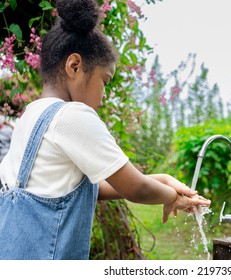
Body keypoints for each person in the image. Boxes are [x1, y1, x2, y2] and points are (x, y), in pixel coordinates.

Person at [0, 0, 210, 260]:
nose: (104, 95)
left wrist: (165, 180)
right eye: (104, 81)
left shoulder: (30, 117)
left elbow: (89, 188)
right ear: (74, 66)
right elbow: (136, 189)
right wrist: (170, 197)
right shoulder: (73, 116)